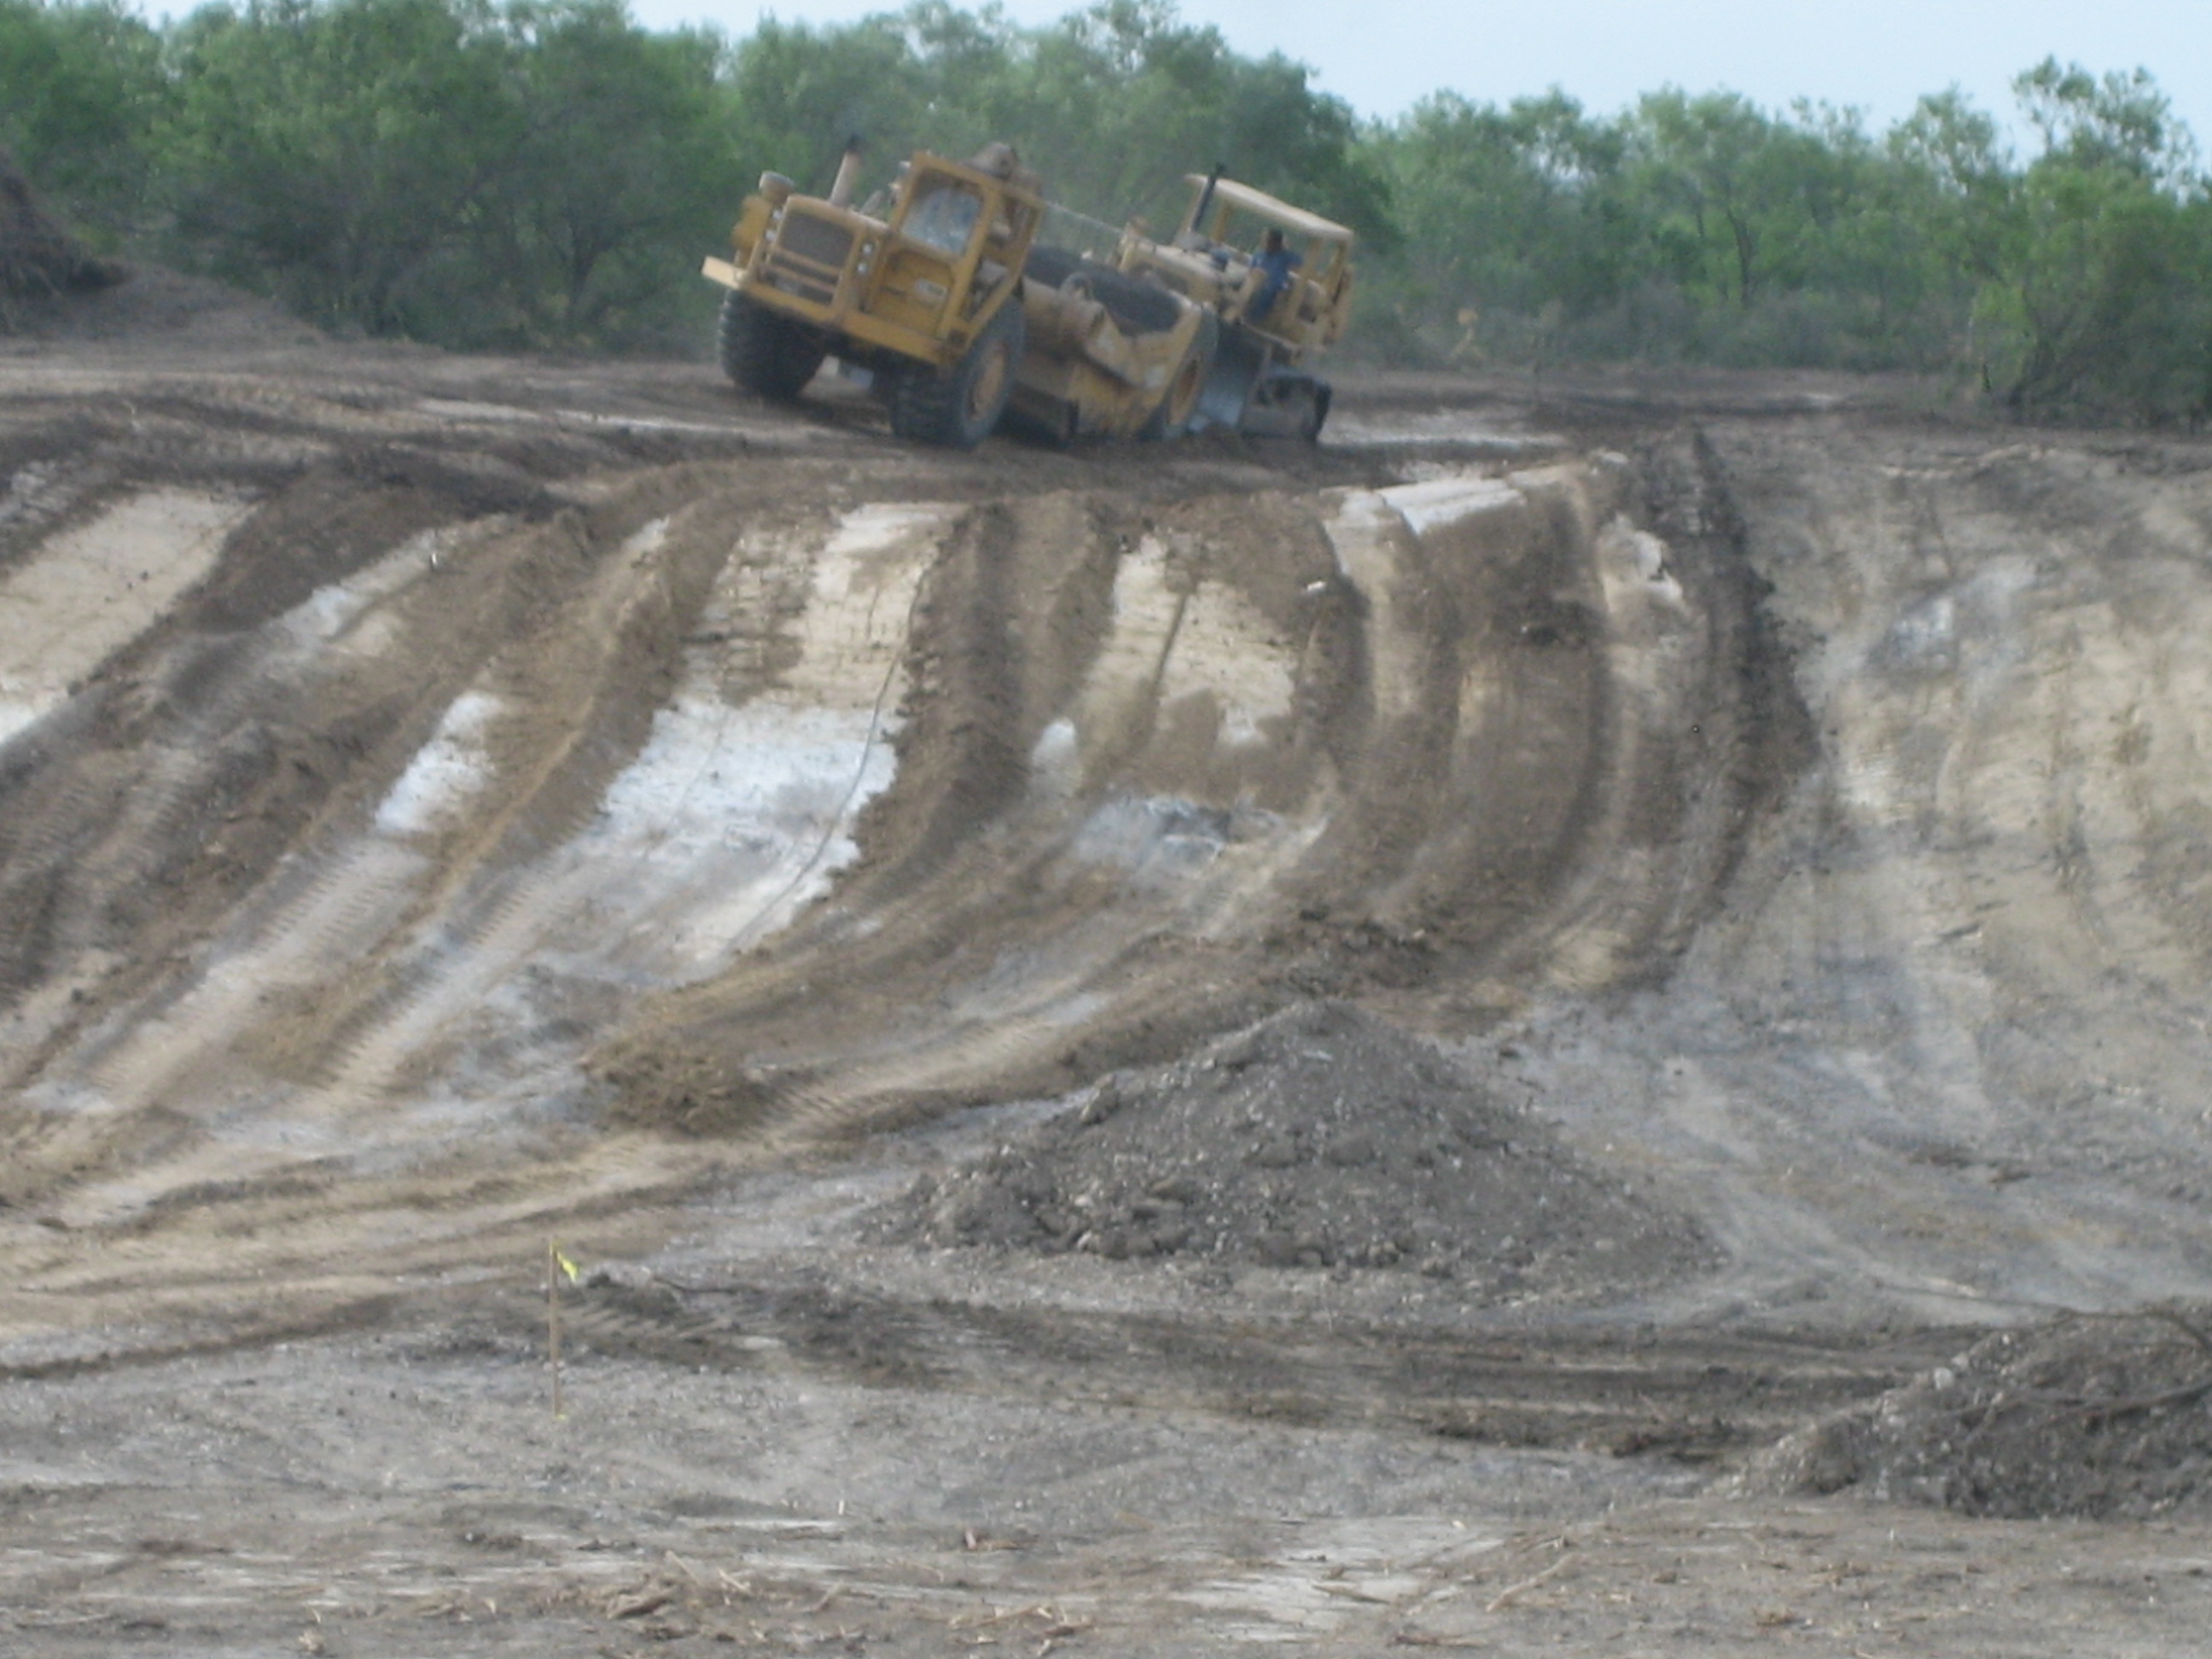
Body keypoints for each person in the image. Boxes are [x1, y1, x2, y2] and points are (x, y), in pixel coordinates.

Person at [1249, 228, 1301, 324]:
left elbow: (1299, 263)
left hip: (1275, 286)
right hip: (1256, 281)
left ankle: (1255, 320)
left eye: (1268, 241)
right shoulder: (1259, 254)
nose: (1265, 243)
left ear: (1276, 243)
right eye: (1264, 240)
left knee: (1266, 292)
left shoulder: (1285, 256)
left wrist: (1286, 247)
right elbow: (1251, 268)